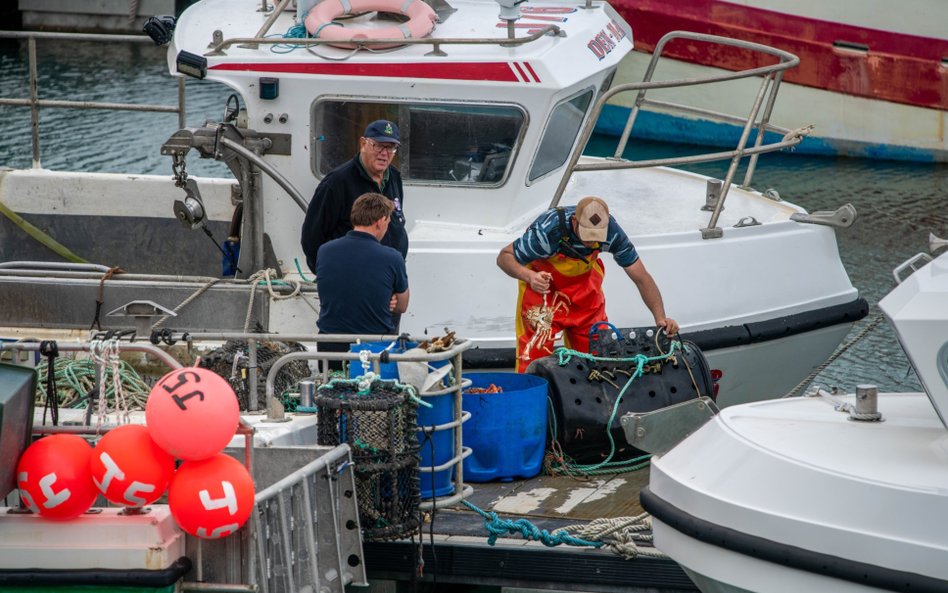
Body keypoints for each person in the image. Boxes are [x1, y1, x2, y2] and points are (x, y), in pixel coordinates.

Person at [497, 195, 679, 372]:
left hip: (584, 291)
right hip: (544, 291)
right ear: (575, 221)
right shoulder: (548, 231)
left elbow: (641, 277)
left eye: (596, 236)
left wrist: (660, 318)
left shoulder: (612, 233)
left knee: (596, 357)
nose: (591, 241)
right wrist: (529, 276)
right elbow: (504, 258)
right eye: (586, 235)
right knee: (533, 354)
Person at [315, 193, 409, 368]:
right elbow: (402, 306)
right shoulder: (392, 257)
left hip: (329, 346)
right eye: (388, 223)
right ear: (381, 221)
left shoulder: (324, 251)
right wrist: (390, 297)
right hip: (373, 347)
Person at [301, 119, 407, 274]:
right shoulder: (337, 182)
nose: (384, 154)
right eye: (378, 146)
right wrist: (329, 276)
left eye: (391, 148)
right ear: (363, 144)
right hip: (351, 278)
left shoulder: (394, 176)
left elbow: (397, 223)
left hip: (386, 277)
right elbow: (312, 237)